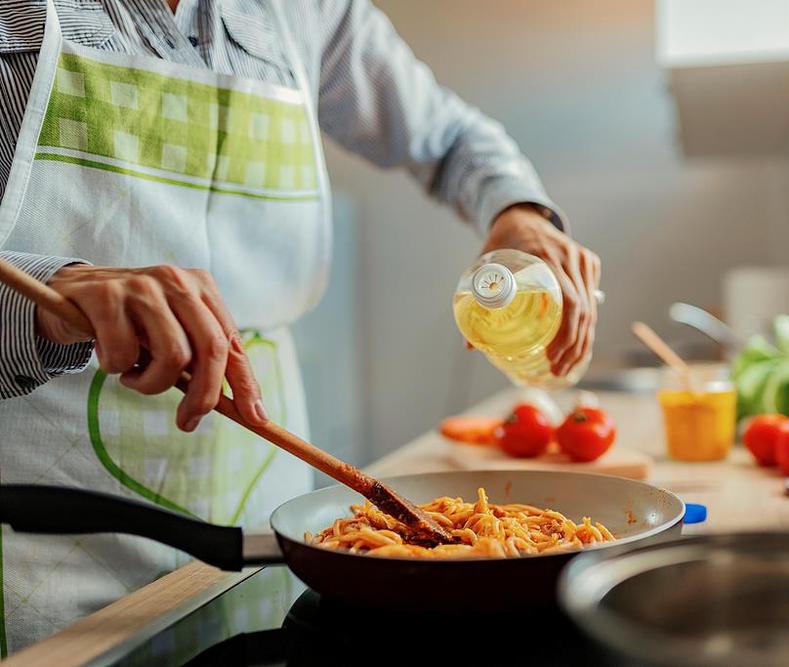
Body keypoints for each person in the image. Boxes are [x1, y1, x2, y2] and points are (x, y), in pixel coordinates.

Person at [0, 0, 601, 654]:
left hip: (263, 521)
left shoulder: (307, 10)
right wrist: (50, 289)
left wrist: (521, 211)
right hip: (48, 541)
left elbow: (450, 136)